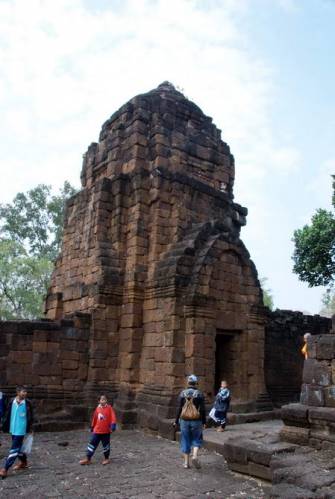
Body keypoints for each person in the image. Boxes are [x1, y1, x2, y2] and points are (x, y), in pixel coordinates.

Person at [0, 386, 34, 479]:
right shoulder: (11, 401)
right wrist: (3, 425)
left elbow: (31, 416)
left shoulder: (28, 403)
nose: (25, 393)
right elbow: (6, 413)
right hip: (12, 428)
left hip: (21, 429)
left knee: (14, 448)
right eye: (23, 391)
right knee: (18, 447)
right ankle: (24, 462)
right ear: (18, 392)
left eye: (26, 392)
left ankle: (5, 469)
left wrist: (31, 428)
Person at [174, 374, 206, 469]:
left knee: (185, 439)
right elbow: (203, 409)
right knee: (197, 437)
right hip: (196, 420)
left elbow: (179, 408)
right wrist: (204, 422)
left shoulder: (182, 393)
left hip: (184, 420)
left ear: (188, 383)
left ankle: (186, 463)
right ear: (196, 383)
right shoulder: (199, 394)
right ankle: (195, 456)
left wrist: (176, 421)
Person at [79, 395, 117, 466]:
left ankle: (106, 458)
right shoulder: (97, 408)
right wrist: (92, 426)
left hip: (106, 431)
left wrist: (113, 425)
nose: (104, 400)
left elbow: (113, 417)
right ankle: (88, 458)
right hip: (97, 431)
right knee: (92, 443)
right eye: (102, 399)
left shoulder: (109, 408)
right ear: (99, 401)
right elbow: (95, 418)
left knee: (106, 445)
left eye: (105, 399)